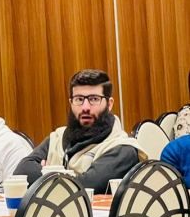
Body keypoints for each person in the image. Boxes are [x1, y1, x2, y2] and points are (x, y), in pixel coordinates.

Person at [14, 69, 144, 193]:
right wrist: (68, 178)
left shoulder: (123, 148)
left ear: (109, 104)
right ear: (71, 102)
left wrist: (46, 173)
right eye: (79, 99)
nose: (85, 107)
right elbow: (22, 172)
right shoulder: (57, 138)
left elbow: (84, 187)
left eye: (94, 99)